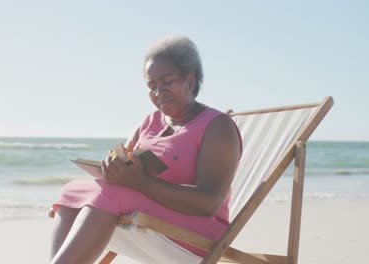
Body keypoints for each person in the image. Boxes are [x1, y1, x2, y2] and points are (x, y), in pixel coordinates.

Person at [48, 35, 242, 264]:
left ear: (190, 81)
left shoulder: (217, 126)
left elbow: (208, 203)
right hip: (155, 213)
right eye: (152, 86)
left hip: (199, 231)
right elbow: (124, 163)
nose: (159, 92)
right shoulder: (150, 122)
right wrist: (114, 168)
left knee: (109, 194)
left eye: (167, 82)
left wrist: (139, 182)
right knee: (72, 191)